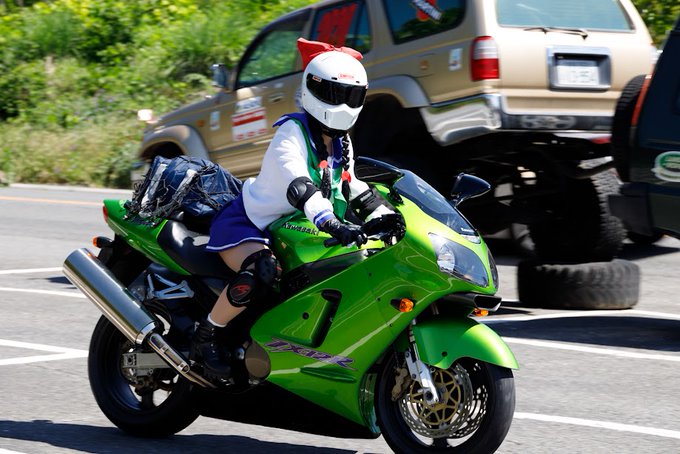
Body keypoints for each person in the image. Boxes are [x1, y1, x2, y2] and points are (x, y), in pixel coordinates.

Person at [192, 38, 398, 379]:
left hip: (296, 228)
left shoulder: (341, 141)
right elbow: (300, 187)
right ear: (313, 90)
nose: (343, 104)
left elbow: (352, 185)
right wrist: (331, 222)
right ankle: (206, 336)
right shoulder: (292, 133)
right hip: (252, 224)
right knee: (261, 270)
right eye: (335, 94)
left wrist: (385, 215)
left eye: (351, 96)